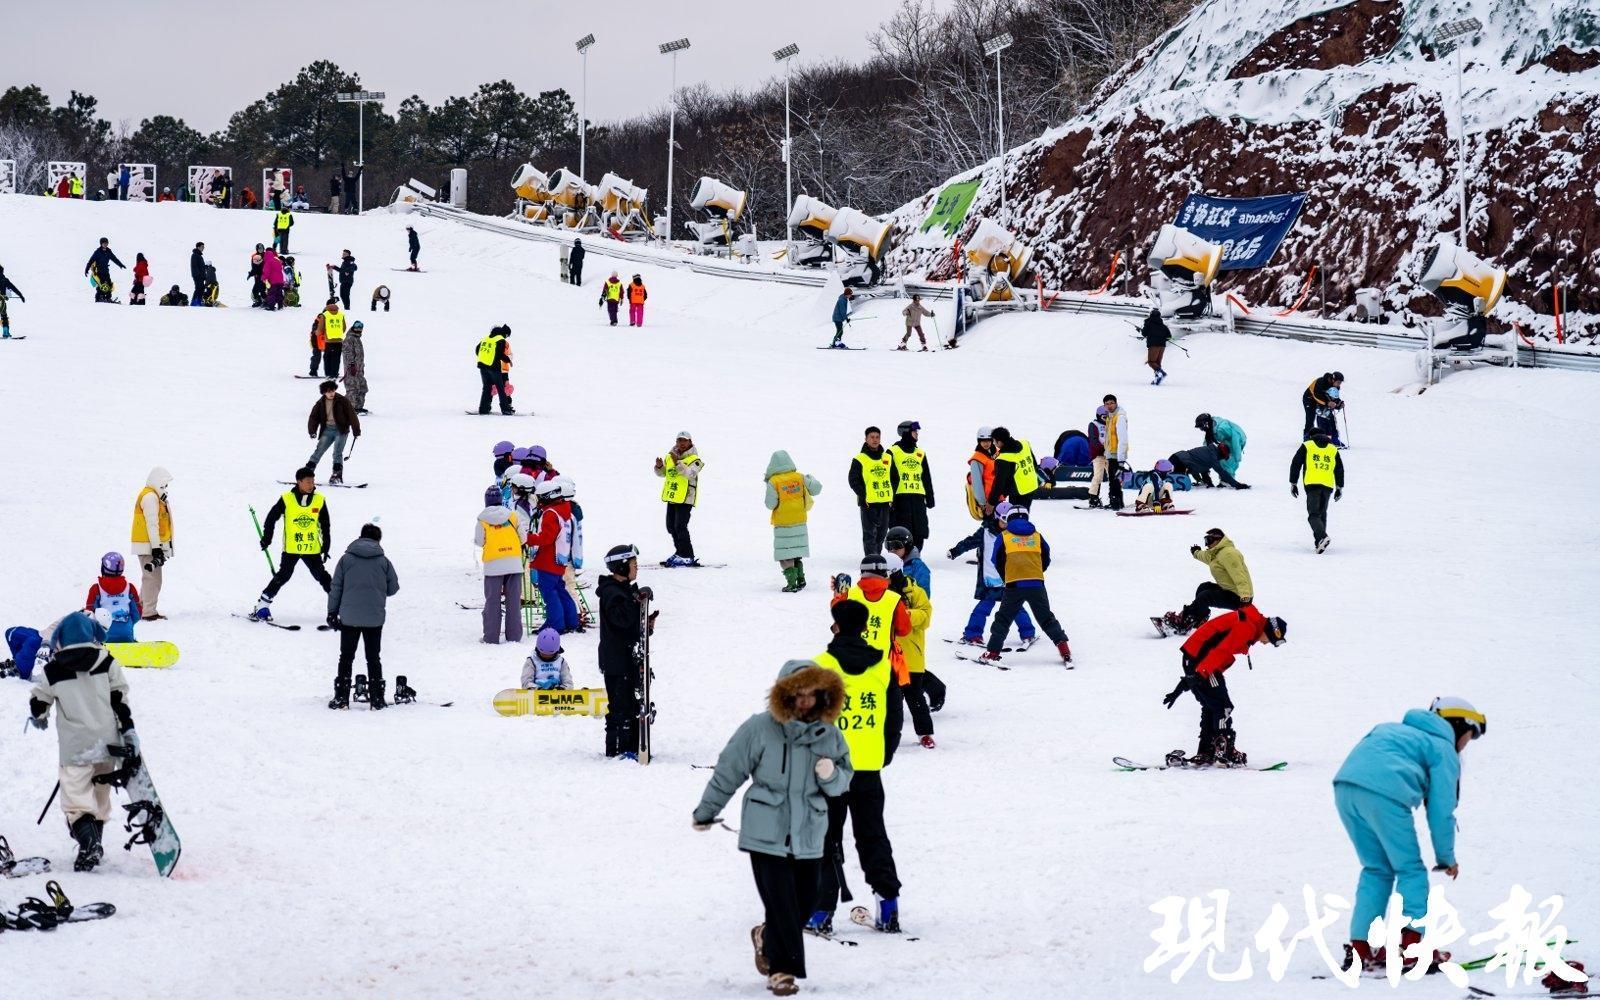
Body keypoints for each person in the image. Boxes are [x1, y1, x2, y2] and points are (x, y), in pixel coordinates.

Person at [694, 660, 852, 997]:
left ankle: (767, 936)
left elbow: (842, 782)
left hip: (809, 830)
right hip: (766, 829)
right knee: (781, 902)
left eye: (813, 694)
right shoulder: (759, 728)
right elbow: (729, 770)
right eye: (799, 693)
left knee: (806, 901)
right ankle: (782, 970)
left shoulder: (830, 734)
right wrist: (707, 811)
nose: (806, 701)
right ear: (785, 693)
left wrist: (830, 775)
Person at [1332, 697, 1484, 975]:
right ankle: (1411, 949)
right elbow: (1440, 810)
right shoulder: (1442, 748)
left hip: (1345, 789)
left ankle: (1360, 949)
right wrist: (1446, 857)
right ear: (1458, 725)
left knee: (1376, 869)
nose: (1465, 745)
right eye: (1469, 736)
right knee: (1411, 870)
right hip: (1384, 795)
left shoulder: (1392, 729)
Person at [808, 598, 904, 935]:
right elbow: (894, 717)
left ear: (835, 626)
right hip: (867, 766)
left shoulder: (819, 667)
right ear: (865, 628)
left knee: (825, 840)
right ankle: (889, 905)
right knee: (873, 836)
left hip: (827, 770)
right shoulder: (882, 666)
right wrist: (884, 753)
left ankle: (820, 913)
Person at [27, 611, 134, 872]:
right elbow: (119, 697)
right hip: (107, 743)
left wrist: (39, 715)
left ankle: (88, 844)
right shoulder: (106, 661)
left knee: (76, 800)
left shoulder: (53, 669)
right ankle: (94, 840)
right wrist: (127, 728)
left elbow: (39, 700)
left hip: (75, 747)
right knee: (100, 795)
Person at [1161, 606, 1287, 766]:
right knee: (1222, 706)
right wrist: (1198, 675)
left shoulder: (1251, 623)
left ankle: (1206, 751)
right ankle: (1224, 749)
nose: (1266, 643)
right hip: (1202, 661)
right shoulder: (1247, 626)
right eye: (1270, 640)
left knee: (1211, 706)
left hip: (1197, 659)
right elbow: (1222, 650)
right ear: (1269, 631)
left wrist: (1190, 679)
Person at [980, 507, 1073, 666]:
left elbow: (996, 560)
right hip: (1036, 583)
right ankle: (1064, 650)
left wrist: (1007, 577)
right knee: (1046, 618)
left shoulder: (1004, 536)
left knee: (1003, 619)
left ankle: (992, 652)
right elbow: (1046, 557)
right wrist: (1035, 572)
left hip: (1014, 585)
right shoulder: (1037, 536)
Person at [327, 523, 399, 710]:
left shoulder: (346, 560)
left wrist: (332, 612)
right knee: (373, 658)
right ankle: (377, 698)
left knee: (346, 657)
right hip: (374, 618)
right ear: (378, 540)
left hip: (349, 618)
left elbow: (336, 588)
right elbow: (393, 589)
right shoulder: (384, 561)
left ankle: (341, 697)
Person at [948, 502, 1038, 649]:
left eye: (1009, 520)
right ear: (997, 518)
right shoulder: (985, 532)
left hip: (1009, 580)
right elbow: (969, 542)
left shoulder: (1015, 534)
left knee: (1016, 608)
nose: (1006, 524)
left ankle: (1028, 633)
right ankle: (973, 634)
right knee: (983, 608)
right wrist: (955, 551)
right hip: (990, 581)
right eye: (1003, 520)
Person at [597, 544, 655, 760]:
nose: (636, 568)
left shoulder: (624, 591)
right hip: (616, 661)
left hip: (628, 658)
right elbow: (620, 620)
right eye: (633, 565)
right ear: (621, 567)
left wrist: (645, 623)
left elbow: (629, 626)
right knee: (620, 707)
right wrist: (634, 600)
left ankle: (633, 746)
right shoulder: (612, 592)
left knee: (632, 705)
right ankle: (619, 750)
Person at [252, 469, 333, 620]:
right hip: (292, 548)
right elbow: (271, 518)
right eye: (308, 482)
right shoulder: (287, 499)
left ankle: (340, 606)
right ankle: (262, 606)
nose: (311, 485)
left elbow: (325, 524)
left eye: (313, 481)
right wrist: (267, 538)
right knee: (283, 576)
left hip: (311, 548)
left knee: (321, 576)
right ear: (299, 482)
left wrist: (326, 545)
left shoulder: (319, 500)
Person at [885, 552, 935, 749]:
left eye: (885, 574)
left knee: (915, 697)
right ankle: (886, 735)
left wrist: (904, 615)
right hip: (885, 655)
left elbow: (925, 616)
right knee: (887, 698)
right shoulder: (878, 593)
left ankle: (925, 733)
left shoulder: (915, 592)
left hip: (909, 655)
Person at [1161, 528, 1252, 634]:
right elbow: (1206, 557)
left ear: (1218, 540)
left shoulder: (1229, 554)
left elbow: (1239, 576)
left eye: (1208, 540)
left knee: (1206, 596)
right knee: (1203, 587)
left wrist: (1245, 598)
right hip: (1230, 590)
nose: (1206, 544)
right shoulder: (1216, 553)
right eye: (1205, 541)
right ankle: (1198, 618)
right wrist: (1196, 552)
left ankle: (1184, 623)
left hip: (1239, 598)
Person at [477, 485, 528, 644]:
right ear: (500, 500)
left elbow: (479, 542)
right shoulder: (513, 516)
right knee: (513, 601)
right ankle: (514, 636)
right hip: (513, 562)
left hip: (493, 565)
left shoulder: (482, 519)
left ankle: (491, 637)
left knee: (492, 601)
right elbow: (524, 538)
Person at [765, 451, 822, 593]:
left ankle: (791, 583)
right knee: (796, 551)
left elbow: (770, 504)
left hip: (783, 522)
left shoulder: (774, 481)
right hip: (799, 520)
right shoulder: (799, 477)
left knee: (785, 555)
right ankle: (801, 578)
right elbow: (817, 488)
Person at [529, 480, 580, 632]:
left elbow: (546, 538)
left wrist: (529, 538)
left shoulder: (551, 514)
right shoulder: (565, 511)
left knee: (549, 593)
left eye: (539, 497)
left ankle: (555, 624)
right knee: (560, 590)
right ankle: (571, 621)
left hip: (548, 559)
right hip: (560, 558)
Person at [130, 467, 174, 621]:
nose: (166, 488)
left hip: (148, 544)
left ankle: (141, 607)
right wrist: (156, 548)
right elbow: (152, 525)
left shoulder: (153, 496)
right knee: (153, 579)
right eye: (164, 485)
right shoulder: (150, 498)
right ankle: (148, 612)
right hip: (148, 545)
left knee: (150, 577)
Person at [655, 432, 704, 566]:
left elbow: (690, 474)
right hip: (673, 496)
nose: (681, 443)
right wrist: (659, 467)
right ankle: (680, 552)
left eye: (684, 441)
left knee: (680, 526)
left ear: (690, 442)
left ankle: (687, 555)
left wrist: (677, 462)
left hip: (686, 498)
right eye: (679, 441)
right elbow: (665, 473)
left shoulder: (695, 459)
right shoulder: (670, 456)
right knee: (671, 527)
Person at [1290, 431, 1344, 553]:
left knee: (1313, 515)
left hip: (1312, 484)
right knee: (1322, 513)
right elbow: (1339, 469)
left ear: (1311, 436)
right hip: (1327, 485)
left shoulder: (1308, 445)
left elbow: (1296, 463)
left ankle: (1322, 537)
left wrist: (1293, 482)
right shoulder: (1332, 449)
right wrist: (1339, 487)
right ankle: (1319, 542)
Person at [888, 420, 934, 553]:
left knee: (919, 530)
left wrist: (930, 497)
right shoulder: (892, 452)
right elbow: (888, 475)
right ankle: (900, 557)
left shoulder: (920, 453)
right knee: (902, 530)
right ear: (906, 433)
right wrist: (889, 498)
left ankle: (915, 556)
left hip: (918, 499)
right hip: (900, 499)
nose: (917, 434)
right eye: (914, 431)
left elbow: (926, 477)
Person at [849, 426, 895, 556]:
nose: (875, 440)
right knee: (869, 535)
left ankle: (878, 558)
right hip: (868, 503)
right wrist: (863, 495)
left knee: (881, 535)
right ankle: (871, 561)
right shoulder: (860, 459)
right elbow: (853, 480)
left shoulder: (887, 458)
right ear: (866, 439)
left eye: (877, 437)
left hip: (885, 503)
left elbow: (894, 478)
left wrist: (893, 497)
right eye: (872, 437)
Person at [306, 380, 360, 485]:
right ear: (324, 392)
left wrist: (356, 430)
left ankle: (337, 475)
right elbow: (313, 417)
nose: (331, 393)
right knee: (318, 451)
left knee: (337, 453)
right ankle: (307, 473)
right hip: (327, 430)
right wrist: (312, 431)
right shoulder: (320, 403)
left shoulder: (342, 401)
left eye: (333, 391)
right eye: (328, 391)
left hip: (341, 430)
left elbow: (352, 415)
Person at [84, 553, 143, 643]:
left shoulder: (96, 589)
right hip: (126, 634)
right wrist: (127, 625)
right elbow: (137, 613)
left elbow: (89, 614)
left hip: (103, 637)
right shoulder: (130, 588)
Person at [986, 426, 1042, 513]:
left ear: (999, 442)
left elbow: (999, 484)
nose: (994, 443)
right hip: (1032, 485)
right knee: (1024, 513)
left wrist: (991, 503)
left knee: (1016, 516)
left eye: (994, 441)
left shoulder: (1003, 459)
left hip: (1018, 492)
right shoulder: (1024, 444)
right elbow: (1034, 463)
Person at [1086, 396, 1127, 509]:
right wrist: (1102, 450)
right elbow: (1094, 441)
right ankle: (1093, 498)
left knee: (1113, 478)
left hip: (1109, 455)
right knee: (1098, 476)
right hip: (1099, 455)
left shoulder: (1110, 423)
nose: (1105, 419)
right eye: (1103, 417)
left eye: (1107, 416)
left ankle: (1117, 499)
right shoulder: (1093, 425)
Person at [1169, 442, 1249, 489]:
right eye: (1224, 457)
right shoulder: (1213, 458)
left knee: (1166, 477)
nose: (1222, 459)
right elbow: (1222, 473)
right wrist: (1237, 485)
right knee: (1178, 486)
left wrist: (1207, 482)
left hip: (1177, 458)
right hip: (1180, 462)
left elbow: (1200, 468)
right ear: (1222, 454)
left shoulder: (1209, 451)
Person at [476, 325, 514, 415]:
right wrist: (508, 360)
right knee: (500, 388)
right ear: (505, 334)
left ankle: (483, 409)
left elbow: (477, 350)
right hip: (493, 367)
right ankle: (506, 409)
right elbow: (500, 354)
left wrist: (485, 358)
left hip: (482, 366)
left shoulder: (486, 338)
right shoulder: (500, 339)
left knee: (486, 388)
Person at [1195, 413, 1247, 479]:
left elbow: (1235, 436)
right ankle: (1224, 478)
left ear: (1206, 424)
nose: (1201, 429)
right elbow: (1207, 441)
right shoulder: (1211, 428)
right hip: (1227, 440)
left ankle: (1228, 479)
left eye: (1201, 426)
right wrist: (1204, 453)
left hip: (1238, 439)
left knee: (1228, 459)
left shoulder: (1222, 429)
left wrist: (1237, 454)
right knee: (1221, 457)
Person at [964, 427, 997, 520]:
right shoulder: (977, 459)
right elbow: (977, 482)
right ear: (979, 441)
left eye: (988, 441)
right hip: (988, 501)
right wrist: (982, 503)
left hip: (998, 496)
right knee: (990, 528)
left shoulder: (994, 454)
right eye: (983, 441)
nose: (986, 443)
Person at [1303, 371, 1345, 439]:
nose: (1339, 385)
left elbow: (1334, 397)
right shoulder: (1321, 381)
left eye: (1340, 383)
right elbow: (1316, 396)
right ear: (1333, 379)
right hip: (1309, 399)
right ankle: (1307, 438)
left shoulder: (1336, 387)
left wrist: (1339, 404)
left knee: (1330, 417)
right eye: (1338, 382)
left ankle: (1334, 438)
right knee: (1310, 418)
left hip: (1323, 401)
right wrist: (1327, 403)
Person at [84, 237, 126, 303]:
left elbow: (114, 259)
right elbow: (90, 261)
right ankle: (99, 298)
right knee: (101, 285)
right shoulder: (97, 252)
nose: (105, 244)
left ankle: (108, 298)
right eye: (104, 243)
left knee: (110, 284)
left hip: (106, 271)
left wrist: (120, 265)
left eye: (106, 243)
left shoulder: (108, 251)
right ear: (101, 244)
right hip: (99, 272)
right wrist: (86, 270)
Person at [341, 321, 368, 413]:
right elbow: (347, 353)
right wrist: (351, 365)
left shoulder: (357, 339)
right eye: (356, 326)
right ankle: (348, 408)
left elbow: (359, 356)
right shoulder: (349, 339)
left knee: (362, 387)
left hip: (359, 369)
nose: (358, 329)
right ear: (353, 327)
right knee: (352, 388)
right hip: (351, 369)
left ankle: (358, 407)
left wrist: (361, 367)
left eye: (360, 327)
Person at [1141, 307, 1172, 385]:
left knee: (1151, 362)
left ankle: (1162, 373)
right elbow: (1169, 336)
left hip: (1153, 345)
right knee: (1157, 363)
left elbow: (1144, 333)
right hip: (1162, 346)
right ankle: (1157, 379)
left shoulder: (1149, 324)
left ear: (1151, 315)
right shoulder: (1163, 326)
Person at [320, 299, 348, 377]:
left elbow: (320, 329)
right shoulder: (340, 315)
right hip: (339, 341)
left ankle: (328, 374)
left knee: (327, 357)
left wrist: (319, 333)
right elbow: (344, 327)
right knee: (336, 357)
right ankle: (334, 373)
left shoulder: (325, 315)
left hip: (329, 341)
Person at [1, 264, 25, 338]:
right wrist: (21, 296)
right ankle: (6, 333)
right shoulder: (4, 280)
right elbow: (14, 288)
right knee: (4, 316)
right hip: (2, 302)